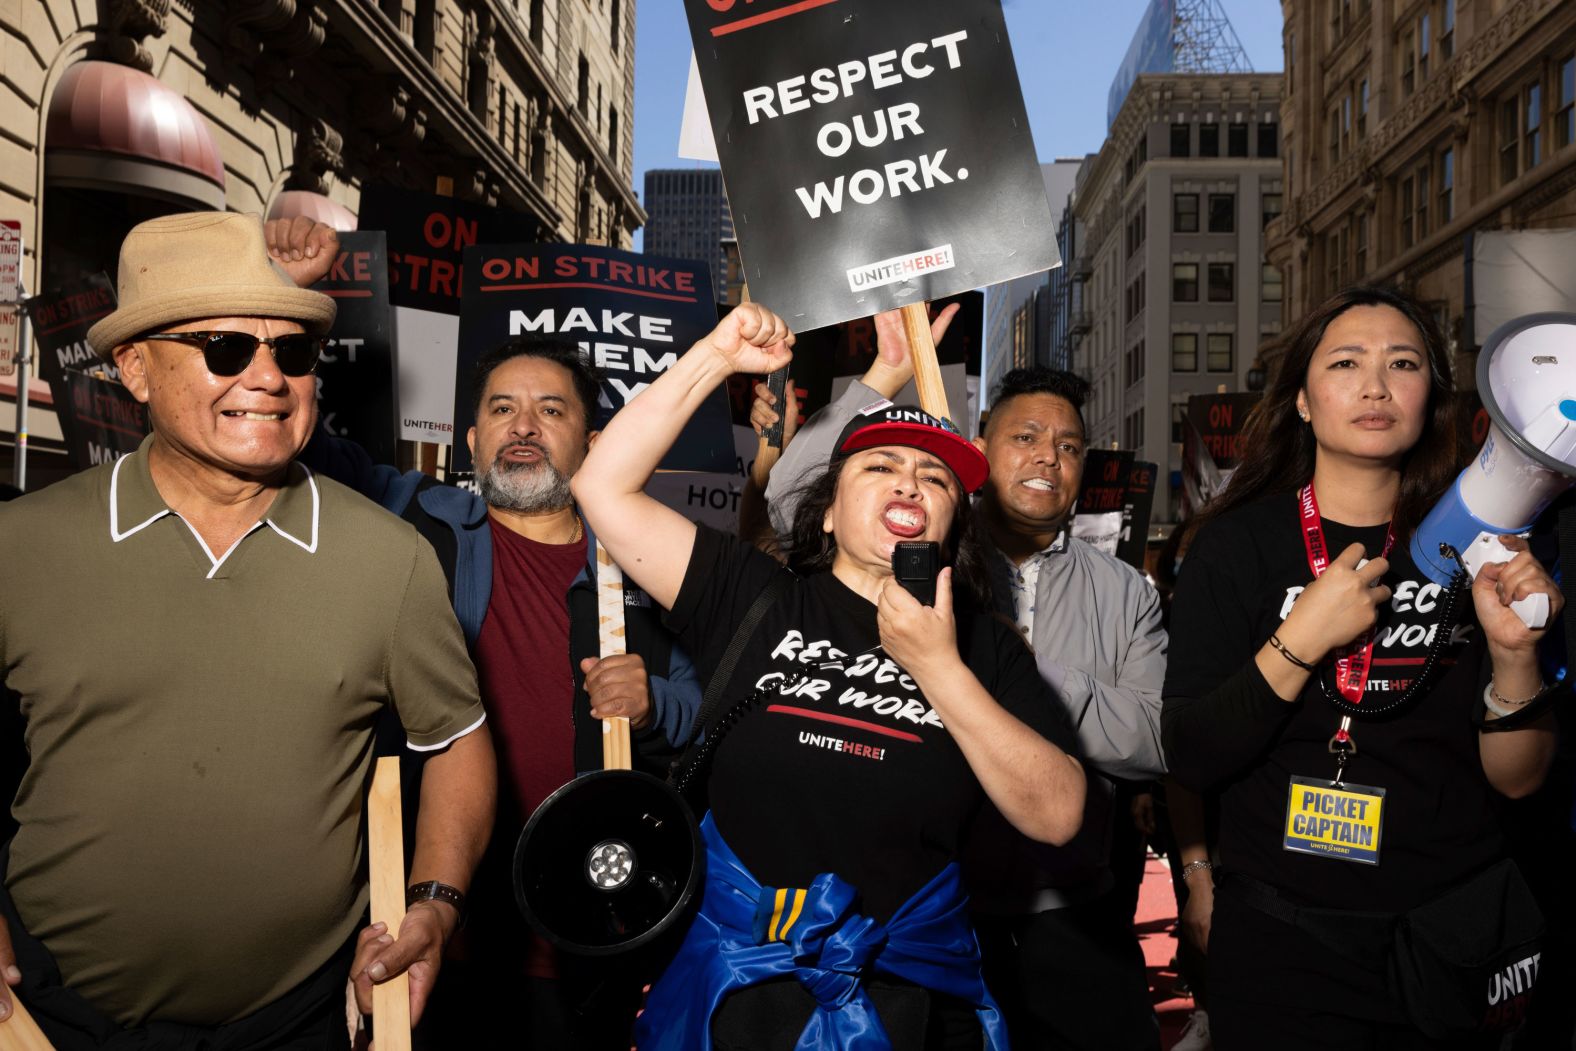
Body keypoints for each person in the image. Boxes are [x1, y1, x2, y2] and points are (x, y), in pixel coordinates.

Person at [0, 212, 495, 1044]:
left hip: (292, 1022)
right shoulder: (22, 545)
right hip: (44, 1017)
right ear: (134, 367)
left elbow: (456, 741)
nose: (268, 377)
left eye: (293, 352)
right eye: (226, 347)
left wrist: (434, 905)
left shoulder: (390, 559)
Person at [572, 301, 1086, 1049]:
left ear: (951, 525)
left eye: (935, 479)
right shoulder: (748, 594)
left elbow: (1059, 812)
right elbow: (603, 486)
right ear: (826, 514)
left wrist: (938, 667)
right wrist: (716, 355)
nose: (909, 483)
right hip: (739, 998)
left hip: (911, 1004)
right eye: (880, 466)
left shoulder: (985, 649)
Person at [266, 217, 703, 1049]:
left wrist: (654, 707)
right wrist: (293, 300)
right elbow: (299, 447)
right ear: (471, 439)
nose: (523, 425)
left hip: (586, 933)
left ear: (597, 442)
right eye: (502, 408)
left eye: (550, 409)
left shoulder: (646, 564)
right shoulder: (416, 518)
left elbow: (703, 701)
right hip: (431, 929)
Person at [1162, 285, 1562, 1049]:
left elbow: (1520, 778)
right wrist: (1299, 638)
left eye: (1403, 364)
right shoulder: (1234, 547)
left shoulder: (1490, 544)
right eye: (1346, 362)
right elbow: (1193, 752)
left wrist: (1515, 657)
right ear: (1304, 401)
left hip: (1450, 938)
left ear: (1431, 398)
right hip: (1283, 943)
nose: (1375, 385)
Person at [764, 313, 1167, 1050]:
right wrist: (883, 374)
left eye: (1069, 446)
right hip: (924, 912)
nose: (1048, 456)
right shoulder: (914, 545)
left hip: (1068, 911)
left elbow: (1149, 739)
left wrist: (1001, 667)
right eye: (1025, 437)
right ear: (981, 449)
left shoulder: (1125, 591)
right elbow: (796, 489)